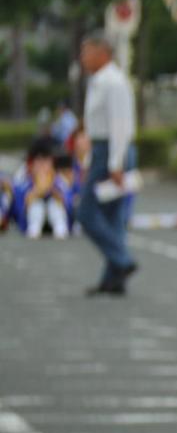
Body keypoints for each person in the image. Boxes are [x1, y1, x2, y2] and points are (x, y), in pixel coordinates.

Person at [78, 31, 138, 296]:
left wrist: (115, 163)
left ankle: (122, 260)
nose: (82, 58)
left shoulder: (113, 82)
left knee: (86, 213)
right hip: (104, 149)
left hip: (113, 151)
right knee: (112, 217)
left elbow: (120, 125)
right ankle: (114, 279)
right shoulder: (99, 81)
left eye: (86, 52)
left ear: (102, 52)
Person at [10, 141, 71, 239]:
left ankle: (60, 228)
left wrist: (52, 190)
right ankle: (34, 229)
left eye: (46, 161)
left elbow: (68, 203)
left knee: (54, 204)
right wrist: (36, 192)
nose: (42, 166)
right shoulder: (25, 182)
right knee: (36, 205)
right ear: (31, 165)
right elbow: (19, 209)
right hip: (31, 220)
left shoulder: (59, 181)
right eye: (39, 161)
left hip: (55, 217)